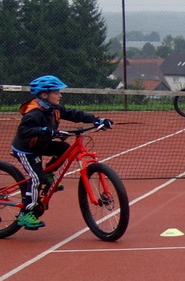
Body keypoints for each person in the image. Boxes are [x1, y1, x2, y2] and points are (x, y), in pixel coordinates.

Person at [11, 75, 112, 230]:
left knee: (64, 148)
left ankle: (48, 174)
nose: (60, 95)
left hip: (43, 143)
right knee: (36, 178)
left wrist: (96, 120)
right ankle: (26, 213)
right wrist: (44, 130)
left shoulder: (54, 109)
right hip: (27, 149)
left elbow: (74, 114)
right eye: (56, 92)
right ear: (44, 94)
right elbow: (24, 131)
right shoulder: (34, 113)